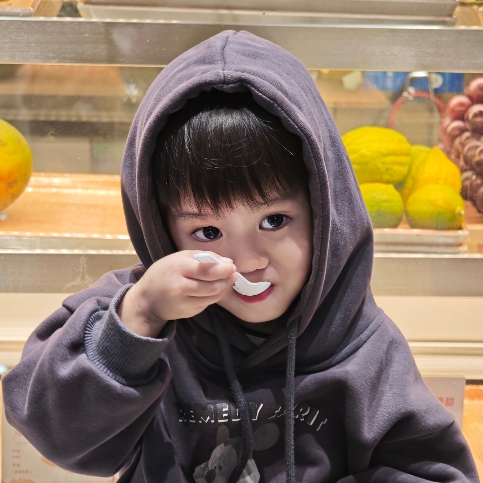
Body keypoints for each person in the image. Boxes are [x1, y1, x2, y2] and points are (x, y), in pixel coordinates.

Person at [2, 31, 478, 483]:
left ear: (324, 209)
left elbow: (438, 472)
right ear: (162, 228)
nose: (248, 261)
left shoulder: (364, 344)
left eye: (274, 220)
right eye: (208, 232)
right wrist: (139, 317)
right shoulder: (133, 314)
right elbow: (54, 435)